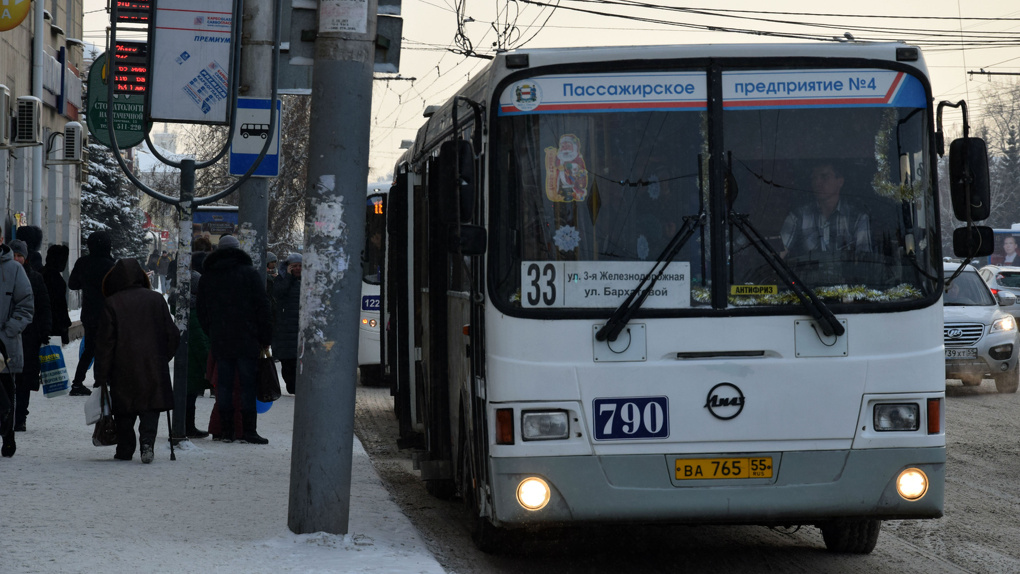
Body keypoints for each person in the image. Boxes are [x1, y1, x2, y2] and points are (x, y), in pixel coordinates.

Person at [94, 259, 180, 463]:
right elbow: (172, 334)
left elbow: (105, 343)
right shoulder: (156, 300)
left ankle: (125, 448)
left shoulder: (112, 303)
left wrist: (102, 374)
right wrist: (162, 356)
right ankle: (147, 442)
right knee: (150, 406)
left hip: (122, 366)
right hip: (152, 364)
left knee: (124, 408)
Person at [196, 235, 272, 444]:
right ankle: (248, 430)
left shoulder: (209, 276)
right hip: (248, 338)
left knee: (224, 386)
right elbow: (263, 307)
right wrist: (265, 337)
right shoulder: (249, 274)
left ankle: (227, 430)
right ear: (238, 250)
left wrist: (211, 331)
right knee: (248, 385)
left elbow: (201, 309)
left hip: (221, 339)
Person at [779, 162, 872, 259]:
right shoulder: (798, 216)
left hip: (848, 275)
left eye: (824, 177)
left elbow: (865, 262)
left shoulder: (857, 217)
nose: (817, 182)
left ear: (840, 182)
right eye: (814, 178)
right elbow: (778, 255)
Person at [9, 240, 51, 434]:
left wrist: (45, 330)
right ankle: (8, 414)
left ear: (25, 258)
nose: (17, 259)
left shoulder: (34, 278)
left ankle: (20, 417)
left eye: (20, 256)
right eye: (14, 255)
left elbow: (43, 306)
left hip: (29, 336)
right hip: (7, 335)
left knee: (25, 379)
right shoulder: (4, 276)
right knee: (7, 378)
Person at [68, 230, 116, 396]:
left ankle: (77, 382)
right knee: (107, 346)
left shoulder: (83, 263)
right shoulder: (110, 265)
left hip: (89, 312)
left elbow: (73, 284)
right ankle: (102, 380)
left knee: (90, 348)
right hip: (107, 312)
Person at [0, 237, 36, 458]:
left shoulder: (13, 269)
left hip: (3, 343)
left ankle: (7, 436)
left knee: (5, 394)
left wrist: (8, 331)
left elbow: (26, 304)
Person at [272, 253, 301, 395]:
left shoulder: (309, 280)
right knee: (287, 360)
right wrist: (288, 277)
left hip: (300, 326)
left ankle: (297, 386)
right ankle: (291, 385)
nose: (298, 269)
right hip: (285, 326)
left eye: (300, 266)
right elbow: (279, 293)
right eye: (294, 266)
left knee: (297, 359)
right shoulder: (281, 280)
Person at [42, 245, 72, 345]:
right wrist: (64, 326)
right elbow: (60, 306)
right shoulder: (55, 279)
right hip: (54, 325)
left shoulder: (41, 273)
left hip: (44, 323)